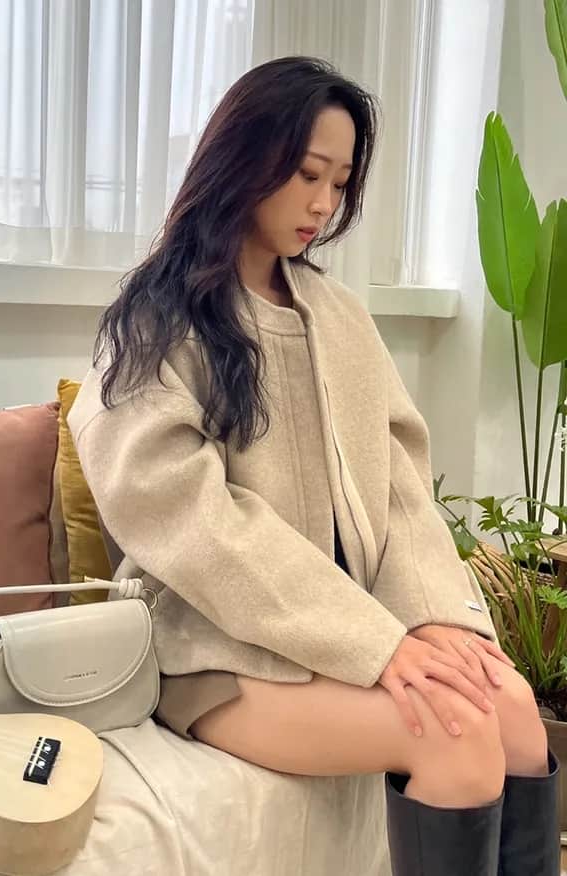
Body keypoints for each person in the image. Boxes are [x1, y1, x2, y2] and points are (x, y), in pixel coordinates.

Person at [68, 56, 559, 875]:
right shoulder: (157, 323)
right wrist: (377, 645)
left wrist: (437, 622)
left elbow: (400, 490)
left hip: (346, 633)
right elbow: (196, 527)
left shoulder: (340, 316)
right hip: (213, 655)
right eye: (306, 174)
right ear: (245, 159)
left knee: (511, 707)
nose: (324, 203)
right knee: (457, 732)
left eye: (340, 181)